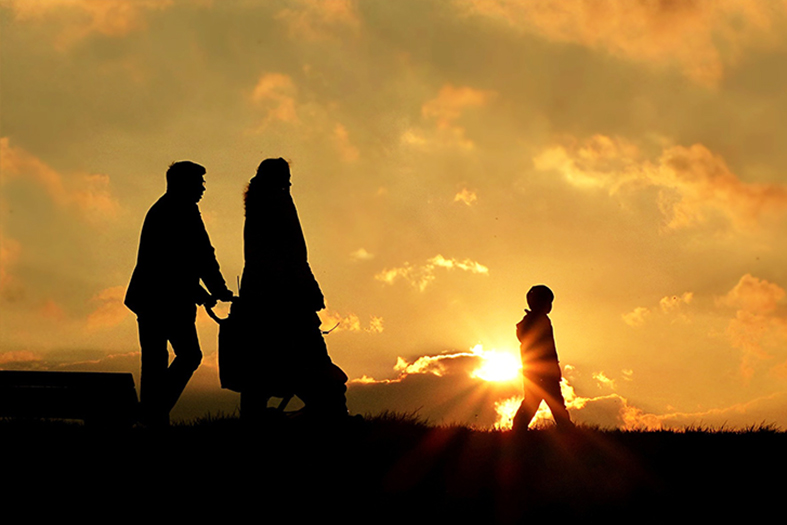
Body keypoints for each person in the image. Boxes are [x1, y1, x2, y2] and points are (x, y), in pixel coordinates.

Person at [237, 157, 348, 422]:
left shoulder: (257, 201)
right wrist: (309, 288)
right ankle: (332, 412)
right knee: (309, 354)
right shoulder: (277, 200)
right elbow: (292, 254)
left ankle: (254, 415)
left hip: (263, 294)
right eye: (285, 176)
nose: (289, 181)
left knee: (265, 357)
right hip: (286, 295)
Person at [125, 161, 233, 427]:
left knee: (154, 363)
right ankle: (152, 411)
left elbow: (173, 263)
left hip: (148, 298)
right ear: (184, 184)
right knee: (189, 355)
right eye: (199, 182)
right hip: (169, 300)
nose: (203, 188)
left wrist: (204, 293)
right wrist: (217, 289)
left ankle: (153, 418)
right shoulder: (184, 211)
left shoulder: (160, 209)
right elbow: (199, 256)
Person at [512, 284, 573, 431]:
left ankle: (518, 428)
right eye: (547, 302)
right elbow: (546, 350)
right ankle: (567, 429)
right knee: (553, 402)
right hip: (542, 371)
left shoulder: (531, 322)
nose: (549, 306)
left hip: (534, 371)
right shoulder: (539, 321)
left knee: (534, 401)